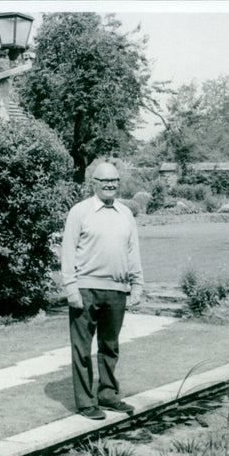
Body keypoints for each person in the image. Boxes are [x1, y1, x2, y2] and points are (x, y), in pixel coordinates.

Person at [60, 162, 143, 420]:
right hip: (85, 289)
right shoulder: (80, 211)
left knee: (110, 347)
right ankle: (86, 403)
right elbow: (67, 251)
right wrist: (71, 287)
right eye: (104, 180)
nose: (110, 185)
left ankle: (108, 395)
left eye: (114, 180)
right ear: (93, 183)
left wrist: (137, 284)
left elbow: (132, 251)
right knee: (82, 349)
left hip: (116, 290)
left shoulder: (125, 213)